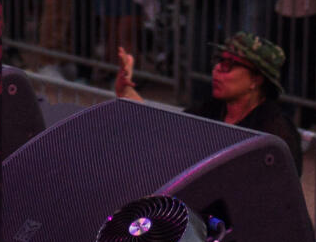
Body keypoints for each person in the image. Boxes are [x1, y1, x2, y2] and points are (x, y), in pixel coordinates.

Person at [114, 33, 303, 173]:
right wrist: (127, 92)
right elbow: (169, 128)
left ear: (257, 80)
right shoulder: (212, 109)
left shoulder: (275, 132)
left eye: (230, 64)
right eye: (219, 60)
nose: (217, 69)